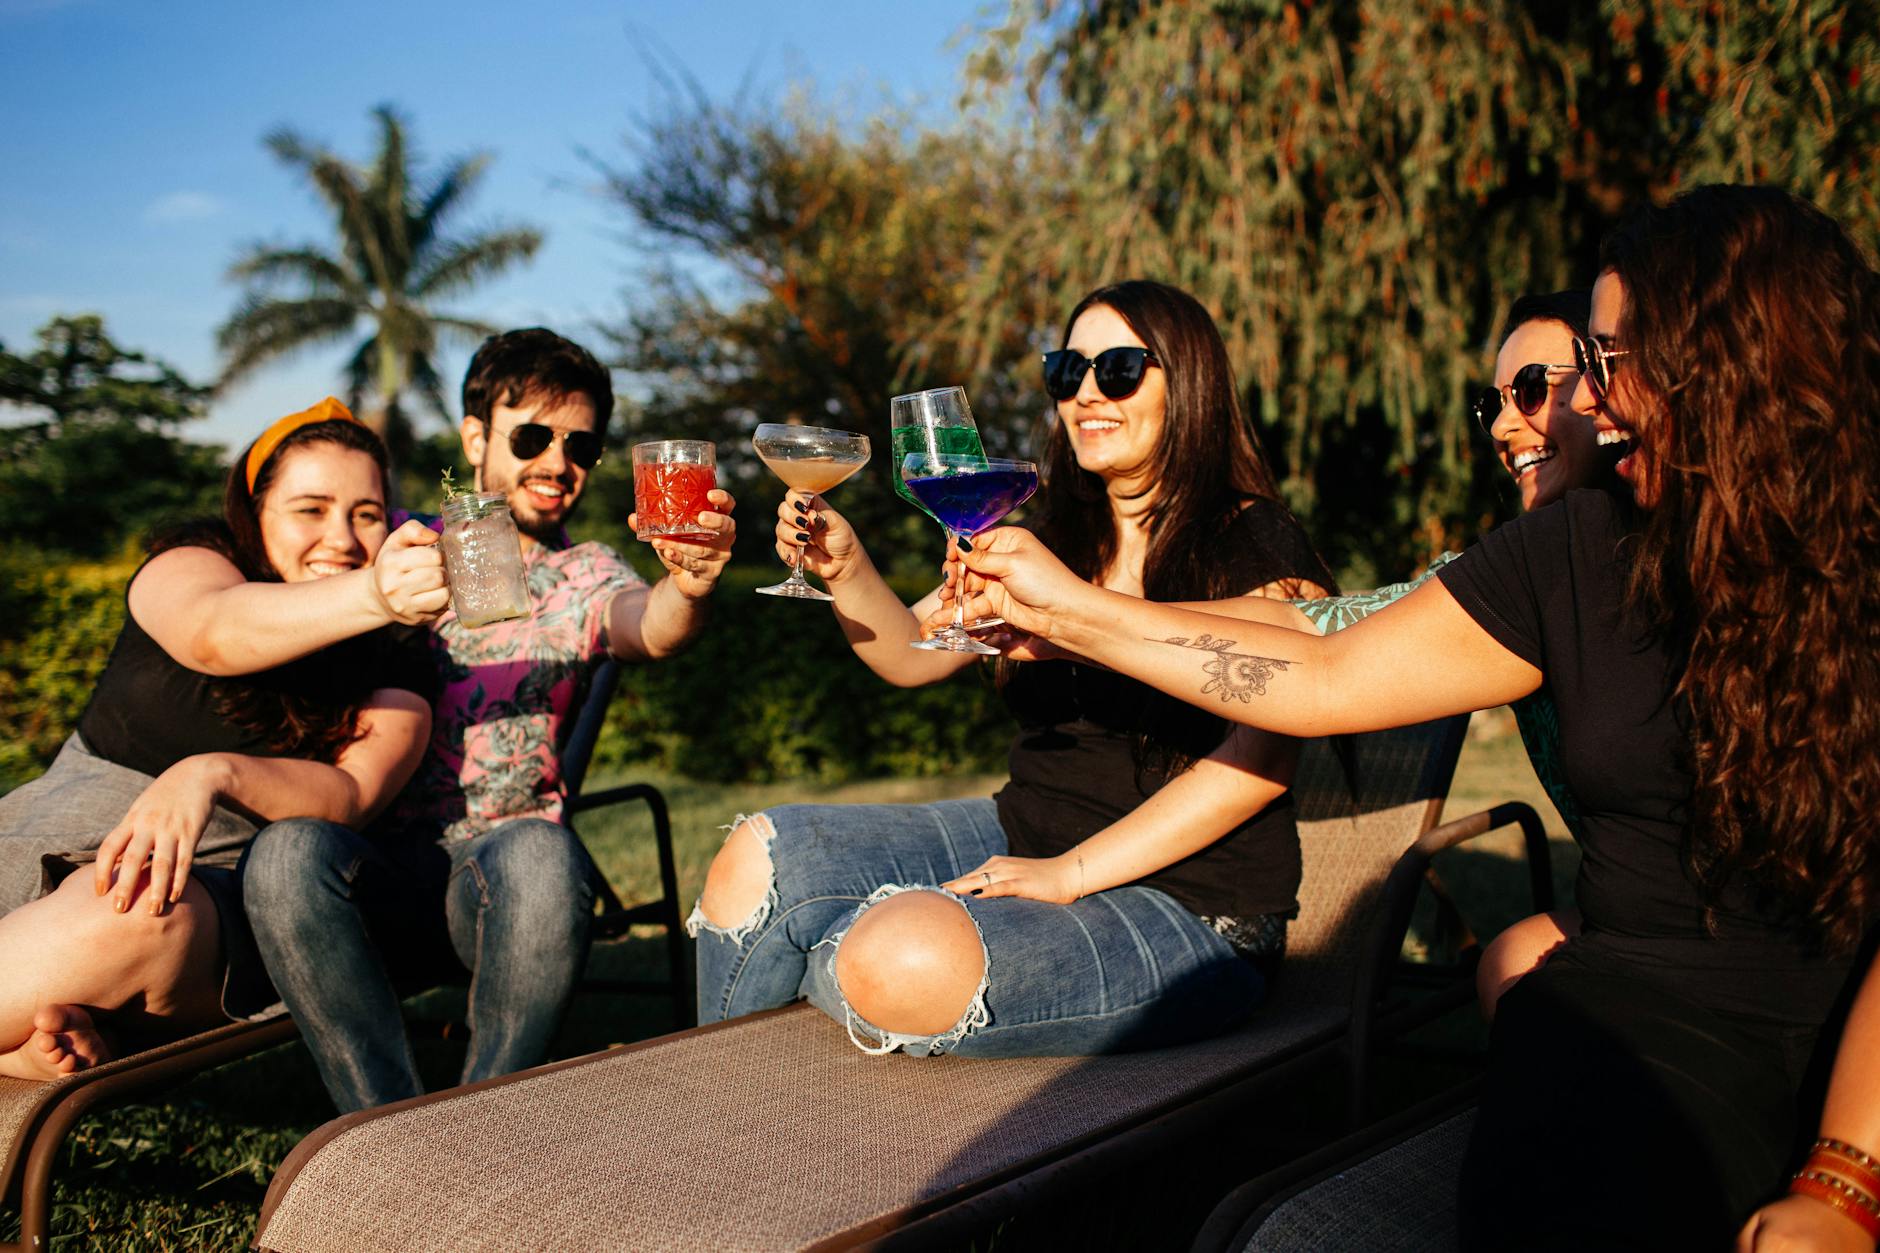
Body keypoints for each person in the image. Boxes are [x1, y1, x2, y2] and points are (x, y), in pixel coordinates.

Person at [953, 186, 1879, 1246]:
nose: (1590, 401)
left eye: (1610, 361)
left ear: (1731, 359)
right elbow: (1319, 672)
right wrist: (1072, 607)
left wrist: (1844, 1178)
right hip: (1635, 1022)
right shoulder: (1572, 551)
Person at [689, 279, 1333, 1057]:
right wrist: (846, 565)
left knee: (894, 955)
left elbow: (1255, 767)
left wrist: (1070, 873)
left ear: (1189, 379)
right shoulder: (1054, 534)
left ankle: (818, 990)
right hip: (1023, 830)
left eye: (1120, 370)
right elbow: (909, 654)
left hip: (1191, 904)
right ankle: (718, 1115)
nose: (1087, 393)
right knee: (755, 862)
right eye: (1068, 371)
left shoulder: (1255, 541)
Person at [240, 328, 738, 1112]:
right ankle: (381, 1130)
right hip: (366, 872)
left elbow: (649, 623)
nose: (557, 463)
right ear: (476, 436)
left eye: (581, 445)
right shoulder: (387, 544)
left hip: (498, 881)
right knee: (283, 852)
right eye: (533, 435)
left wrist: (694, 583)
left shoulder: (583, 572)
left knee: (542, 851)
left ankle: (480, 1125)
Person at [1143, 289, 1612, 1018]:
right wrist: (1082, 618)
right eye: (1492, 406)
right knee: (1514, 969)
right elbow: (1312, 627)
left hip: (1735, 918)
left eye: (1531, 389)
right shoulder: (1512, 573)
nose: (1505, 425)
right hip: (1631, 914)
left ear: (1612, 382)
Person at [0, 400, 443, 1079]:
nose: (343, 537)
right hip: (41, 831)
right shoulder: (193, 563)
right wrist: (376, 592)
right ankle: (21, 1048)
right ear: (253, 511)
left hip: (197, 888)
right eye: (311, 508)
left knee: (131, 904)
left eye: (366, 513)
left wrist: (214, 773)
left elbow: (352, 795)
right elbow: (213, 631)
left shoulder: (399, 650)